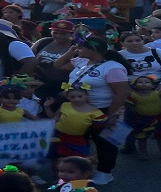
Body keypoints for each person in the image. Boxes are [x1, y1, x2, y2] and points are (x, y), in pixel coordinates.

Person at [52, 35, 133, 185]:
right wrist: (71, 51)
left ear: (94, 49)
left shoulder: (112, 67)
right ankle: (78, 170)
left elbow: (121, 93)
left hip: (102, 109)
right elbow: (58, 65)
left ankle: (105, 171)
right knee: (76, 138)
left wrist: (111, 115)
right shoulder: (81, 61)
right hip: (76, 108)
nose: (78, 49)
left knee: (105, 142)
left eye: (81, 47)